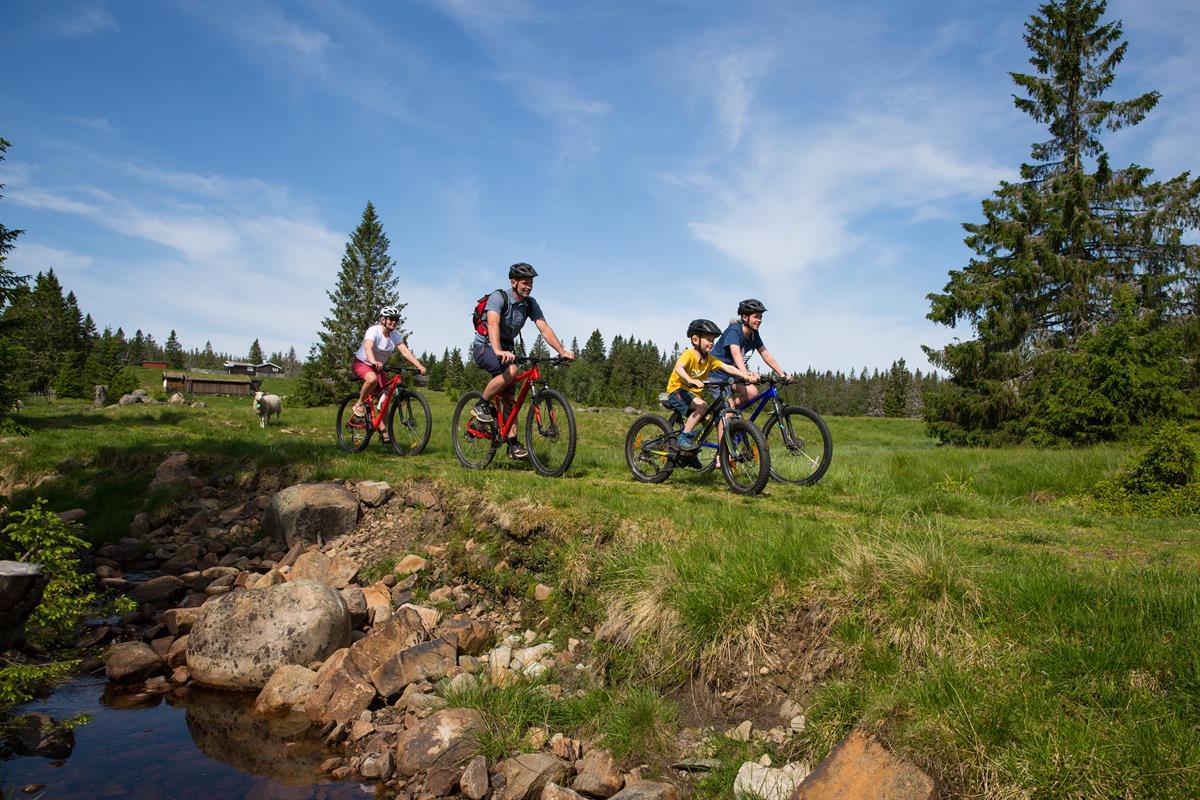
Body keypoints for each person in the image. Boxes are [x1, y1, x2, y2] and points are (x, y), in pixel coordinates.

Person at [471, 263, 575, 459]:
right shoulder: (499, 297)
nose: (528, 286)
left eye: (531, 283)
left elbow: (544, 328)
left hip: (506, 350)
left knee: (511, 399)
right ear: (514, 282)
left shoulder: (530, 304)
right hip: (485, 347)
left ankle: (512, 444)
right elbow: (493, 323)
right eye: (525, 283)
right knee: (512, 372)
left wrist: (562, 351)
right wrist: (498, 350)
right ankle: (481, 404)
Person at [665, 318, 757, 451]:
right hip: (677, 391)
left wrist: (746, 376)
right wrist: (690, 380)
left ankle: (690, 451)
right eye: (708, 339)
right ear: (696, 340)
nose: (711, 343)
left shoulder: (709, 359)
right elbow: (679, 368)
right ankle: (683, 438)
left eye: (713, 340)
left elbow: (728, 368)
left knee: (710, 421)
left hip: (691, 395)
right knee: (702, 407)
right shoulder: (689, 354)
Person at [351, 306, 426, 422]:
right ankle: (359, 403)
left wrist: (419, 365)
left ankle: (383, 431)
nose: (394, 322)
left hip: (378, 367)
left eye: (396, 319)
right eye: (391, 319)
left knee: (385, 399)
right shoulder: (374, 331)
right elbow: (368, 348)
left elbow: (405, 352)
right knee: (372, 379)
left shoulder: (395, 335)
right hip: (362, 363)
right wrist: (373, 361)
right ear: (383, 319)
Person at [711, 299, 789, 408]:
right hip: (718, 374)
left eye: (761, 317)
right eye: (756, 316)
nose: (759, 320)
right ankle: (725, 415)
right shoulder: (734, 331)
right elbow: (736, 353)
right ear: (744, 317)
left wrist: (782, 374)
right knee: (728, 411)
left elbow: (765, 354)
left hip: (734, 373)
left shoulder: (754, 334)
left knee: (752, 393)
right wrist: (746, 374)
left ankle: (727, 415)